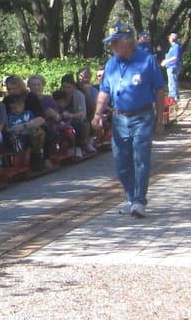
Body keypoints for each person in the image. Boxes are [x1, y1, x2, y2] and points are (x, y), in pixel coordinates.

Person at [92, 22, 166, 218]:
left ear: (128, 41)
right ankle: (130, 198)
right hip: (119, 118)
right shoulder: (111, 64)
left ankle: (139, 201)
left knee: (140, 158)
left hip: (142, 116)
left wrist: (160, 118)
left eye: (116, 42)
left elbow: (159, 89)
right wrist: (97, 115)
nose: (112, 46)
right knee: (121, 162)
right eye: (111, 43)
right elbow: (104, 91)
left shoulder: (147, 61)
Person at [2, 74, 47, 170]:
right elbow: (4, 118)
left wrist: (24, 126)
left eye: (12, 89)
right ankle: (10, 163)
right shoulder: (7, 100)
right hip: (12, 127)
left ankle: (36, 160)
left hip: (29, 126)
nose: (9, 91)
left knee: (37, 133)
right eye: (8, 89)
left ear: (19, 87)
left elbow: (41, 118)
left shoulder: (31, 98)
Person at [55, 73, 90, 158]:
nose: (66, 90)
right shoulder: (59, 95)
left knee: (79, 124)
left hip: (75, 119)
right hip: (62, 120)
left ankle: (79, 146)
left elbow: (83, 114)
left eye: (68, 87)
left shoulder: (78, 95)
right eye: (64, 87)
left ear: (73, 87)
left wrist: (71, 116)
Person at [162, 33, 183, 101]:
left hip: (173, 67)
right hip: (171, 66)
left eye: (169, 37)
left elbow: (175, 57)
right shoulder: (173, 47)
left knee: (172, 82)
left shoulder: (176, 46)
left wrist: (166, 61)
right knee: (172, 81)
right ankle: (174, 97)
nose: (169, 39)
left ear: (172, 39)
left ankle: (173, 98)